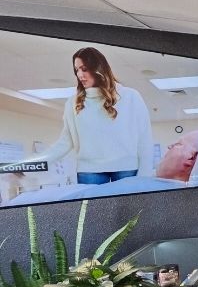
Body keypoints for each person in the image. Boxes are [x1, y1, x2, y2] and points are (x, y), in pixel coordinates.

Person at [36, 47, 155, 184]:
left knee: (129, 206)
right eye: (77, 70)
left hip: (126, 168)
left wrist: (144, 177)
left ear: (98, 68)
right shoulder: (73, 103)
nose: (80, 75)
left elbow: (144, 139)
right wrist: (33, 163)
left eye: (84, 69)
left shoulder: (131, 96)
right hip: (89, 171)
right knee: (93, 207)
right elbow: (65, 142)